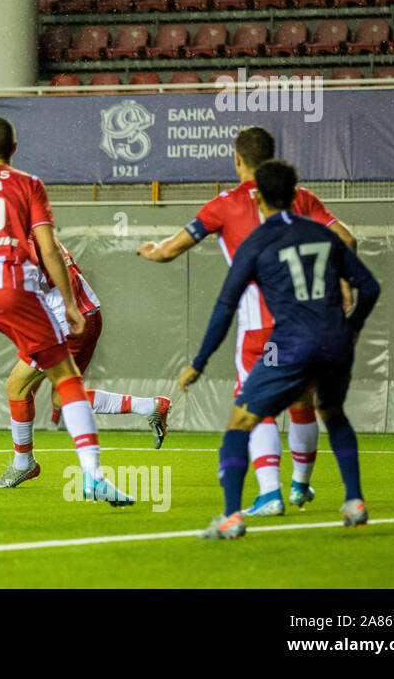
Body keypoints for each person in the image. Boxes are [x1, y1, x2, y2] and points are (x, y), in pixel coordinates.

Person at [0, 116, 135, 511]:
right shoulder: (29, 184)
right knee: (66, 380)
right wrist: (68, 302)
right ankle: (94, 477)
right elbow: (48, 250)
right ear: (14, 149)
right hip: (14, 290)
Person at [136, 126, 357, 516]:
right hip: (309, 324)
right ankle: (301, 487)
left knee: (258, 406)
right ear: (274, 160)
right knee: (304, 404)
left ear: (237, 160)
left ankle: (269, 493)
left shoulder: (224, 205)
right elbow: (346, 238)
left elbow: (172, 249)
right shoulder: (301, 199)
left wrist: (152, 251)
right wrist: (342, 280)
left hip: (260, 327)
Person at [182, 160, 380, 539]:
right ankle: (354, 500)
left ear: (258, 197)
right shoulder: (323, 236)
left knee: (241, 421)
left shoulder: (256, 243)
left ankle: (231, 516)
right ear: (295, 194)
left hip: (287, 346)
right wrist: (351, 328)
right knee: (332, 412)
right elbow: (369, 287)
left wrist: (200, 361)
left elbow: (226, 306)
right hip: (336, 343)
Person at [0, 239, 172, 488]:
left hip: (66, 323)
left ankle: (24, 464)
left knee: (16, 386)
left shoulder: (22, 242)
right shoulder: (38, 234)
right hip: (85, 316)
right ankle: (148, 406)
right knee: (62, 399)